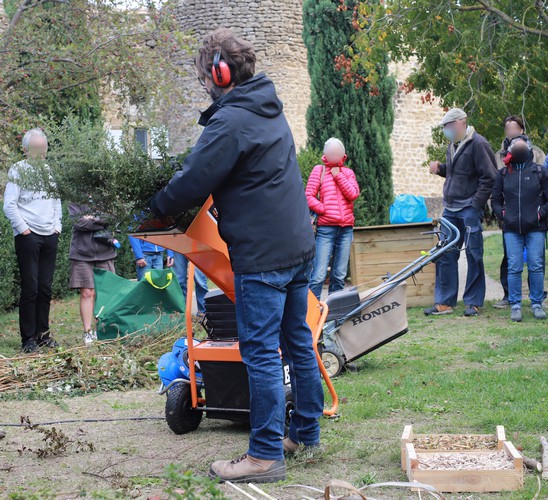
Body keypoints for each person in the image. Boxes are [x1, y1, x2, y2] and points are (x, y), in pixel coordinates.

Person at [149, 28, 322, 483]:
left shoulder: (230, 121)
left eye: (205, 76)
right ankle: (305, 432)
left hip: (263, 256)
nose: (204, 84)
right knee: (299, 344)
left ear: (219, 73)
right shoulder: (268, 108)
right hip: (298, 246)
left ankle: (264, 455)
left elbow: (193, 180)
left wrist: (153, 209)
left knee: (262, 353)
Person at [424, 108, 497, 317]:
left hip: (469, 209)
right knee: (445, 253)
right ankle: (445, 302)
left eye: (449, 126)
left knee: (474, 254)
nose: (446, 130)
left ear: (461, 122)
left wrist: (476, 204)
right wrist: (441, 168)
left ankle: (473, 302)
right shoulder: (453, 144)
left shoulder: (478, 144)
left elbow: (489, 177)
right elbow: (459, 173)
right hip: (451, 208)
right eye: (445, 127)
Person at [3, 129, 62, 353]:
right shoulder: (18, 170)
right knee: (31, 289)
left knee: (45, 288)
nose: (41, 153)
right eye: (37, 149)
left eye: (44, 149)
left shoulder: (48, 171)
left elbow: (56, 201)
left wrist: (57, 227)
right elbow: (9, 204)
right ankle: (27, 338)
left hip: (50, 234)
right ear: (26, 150)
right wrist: (24, 230)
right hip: (29, 236)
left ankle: (43, 335)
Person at [491, 136, 548, 321]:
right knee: (514, 267)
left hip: (536, 227)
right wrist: (504, 215)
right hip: (511, 229)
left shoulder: (540, 172)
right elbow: (496, 200)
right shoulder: (503, 174)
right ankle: (515, 304)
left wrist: (540, 214)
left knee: (536, 265)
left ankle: (537, 303)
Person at [306, 138, 359, 299]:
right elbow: (308, 196)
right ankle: (311, 313)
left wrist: (338, 176)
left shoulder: (347, 173)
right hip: (325, 230)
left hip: (345, 230)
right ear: (326, 154)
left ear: (343, 155)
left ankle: (334, 314)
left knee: (339, 276)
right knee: (318, 276)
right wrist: (324, 210)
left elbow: (353, 194)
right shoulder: (319, 170)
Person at [68, 203, 117, 344]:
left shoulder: (104, 196)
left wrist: (90, 219)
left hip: (105, 251)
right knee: (87, 293)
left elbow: (111, 217)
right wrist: (99, 220)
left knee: (106, 293)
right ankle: (88, 332)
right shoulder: (74, 198)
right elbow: (78, 223)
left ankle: (102, 329)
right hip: (81, 253)